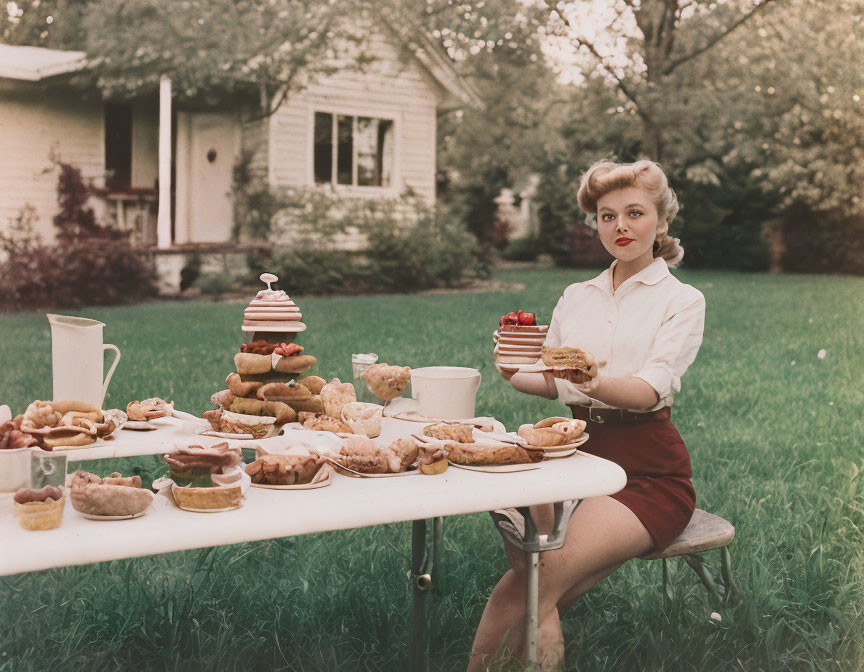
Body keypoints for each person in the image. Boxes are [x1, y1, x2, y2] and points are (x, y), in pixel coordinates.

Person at [468, 159, 706, 671]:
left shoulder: (682, 300)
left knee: (528, 583)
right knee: (541, 587)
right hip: (569, 457)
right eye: (606, 216)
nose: (620, 226)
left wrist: (593, 382)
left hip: (645, 471)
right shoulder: (577, 296)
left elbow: (647, 392)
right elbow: (549, 379)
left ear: (661, 222)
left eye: (635, 213)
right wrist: (512, 369)